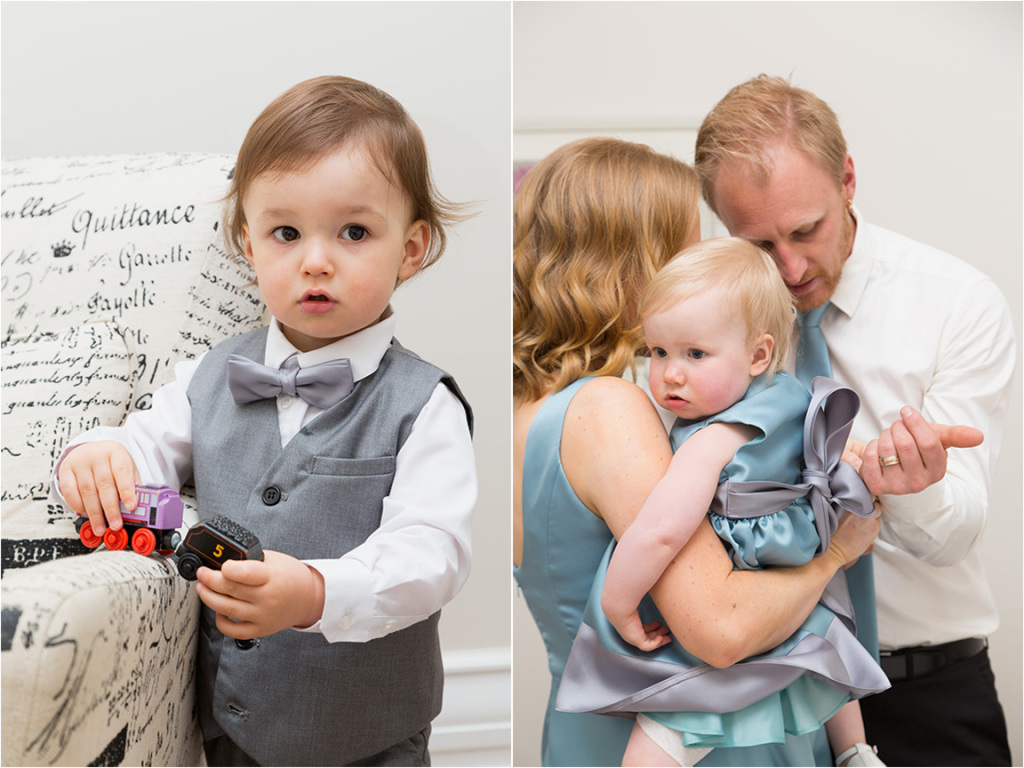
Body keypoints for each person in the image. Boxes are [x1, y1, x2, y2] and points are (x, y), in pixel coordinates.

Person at [51, 75, 476, 767]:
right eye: (286, 233)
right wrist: (101, 453)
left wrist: (317, 593)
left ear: (410, 248)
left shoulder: (424, 403)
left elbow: (434, 554)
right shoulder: (209, 375)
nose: (316, 261)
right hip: (233, 734)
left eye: (355, 232)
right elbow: (144, 452)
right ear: (249, 245)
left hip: (369, 740)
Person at [513, 136, 881, 767]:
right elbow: (723, 629)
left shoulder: (528, 404)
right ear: (637, 264)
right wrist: (836, 555)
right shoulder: (606, 410)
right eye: (689, 247)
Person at [693, 74, 1014, 766]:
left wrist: (911, 488)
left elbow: (954, 535)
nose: (789, 268)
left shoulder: (958, 304)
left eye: (806, 230)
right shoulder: (704, 322)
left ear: (847, 180)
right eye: (759, 244)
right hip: (766, 691)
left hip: (926, 696)